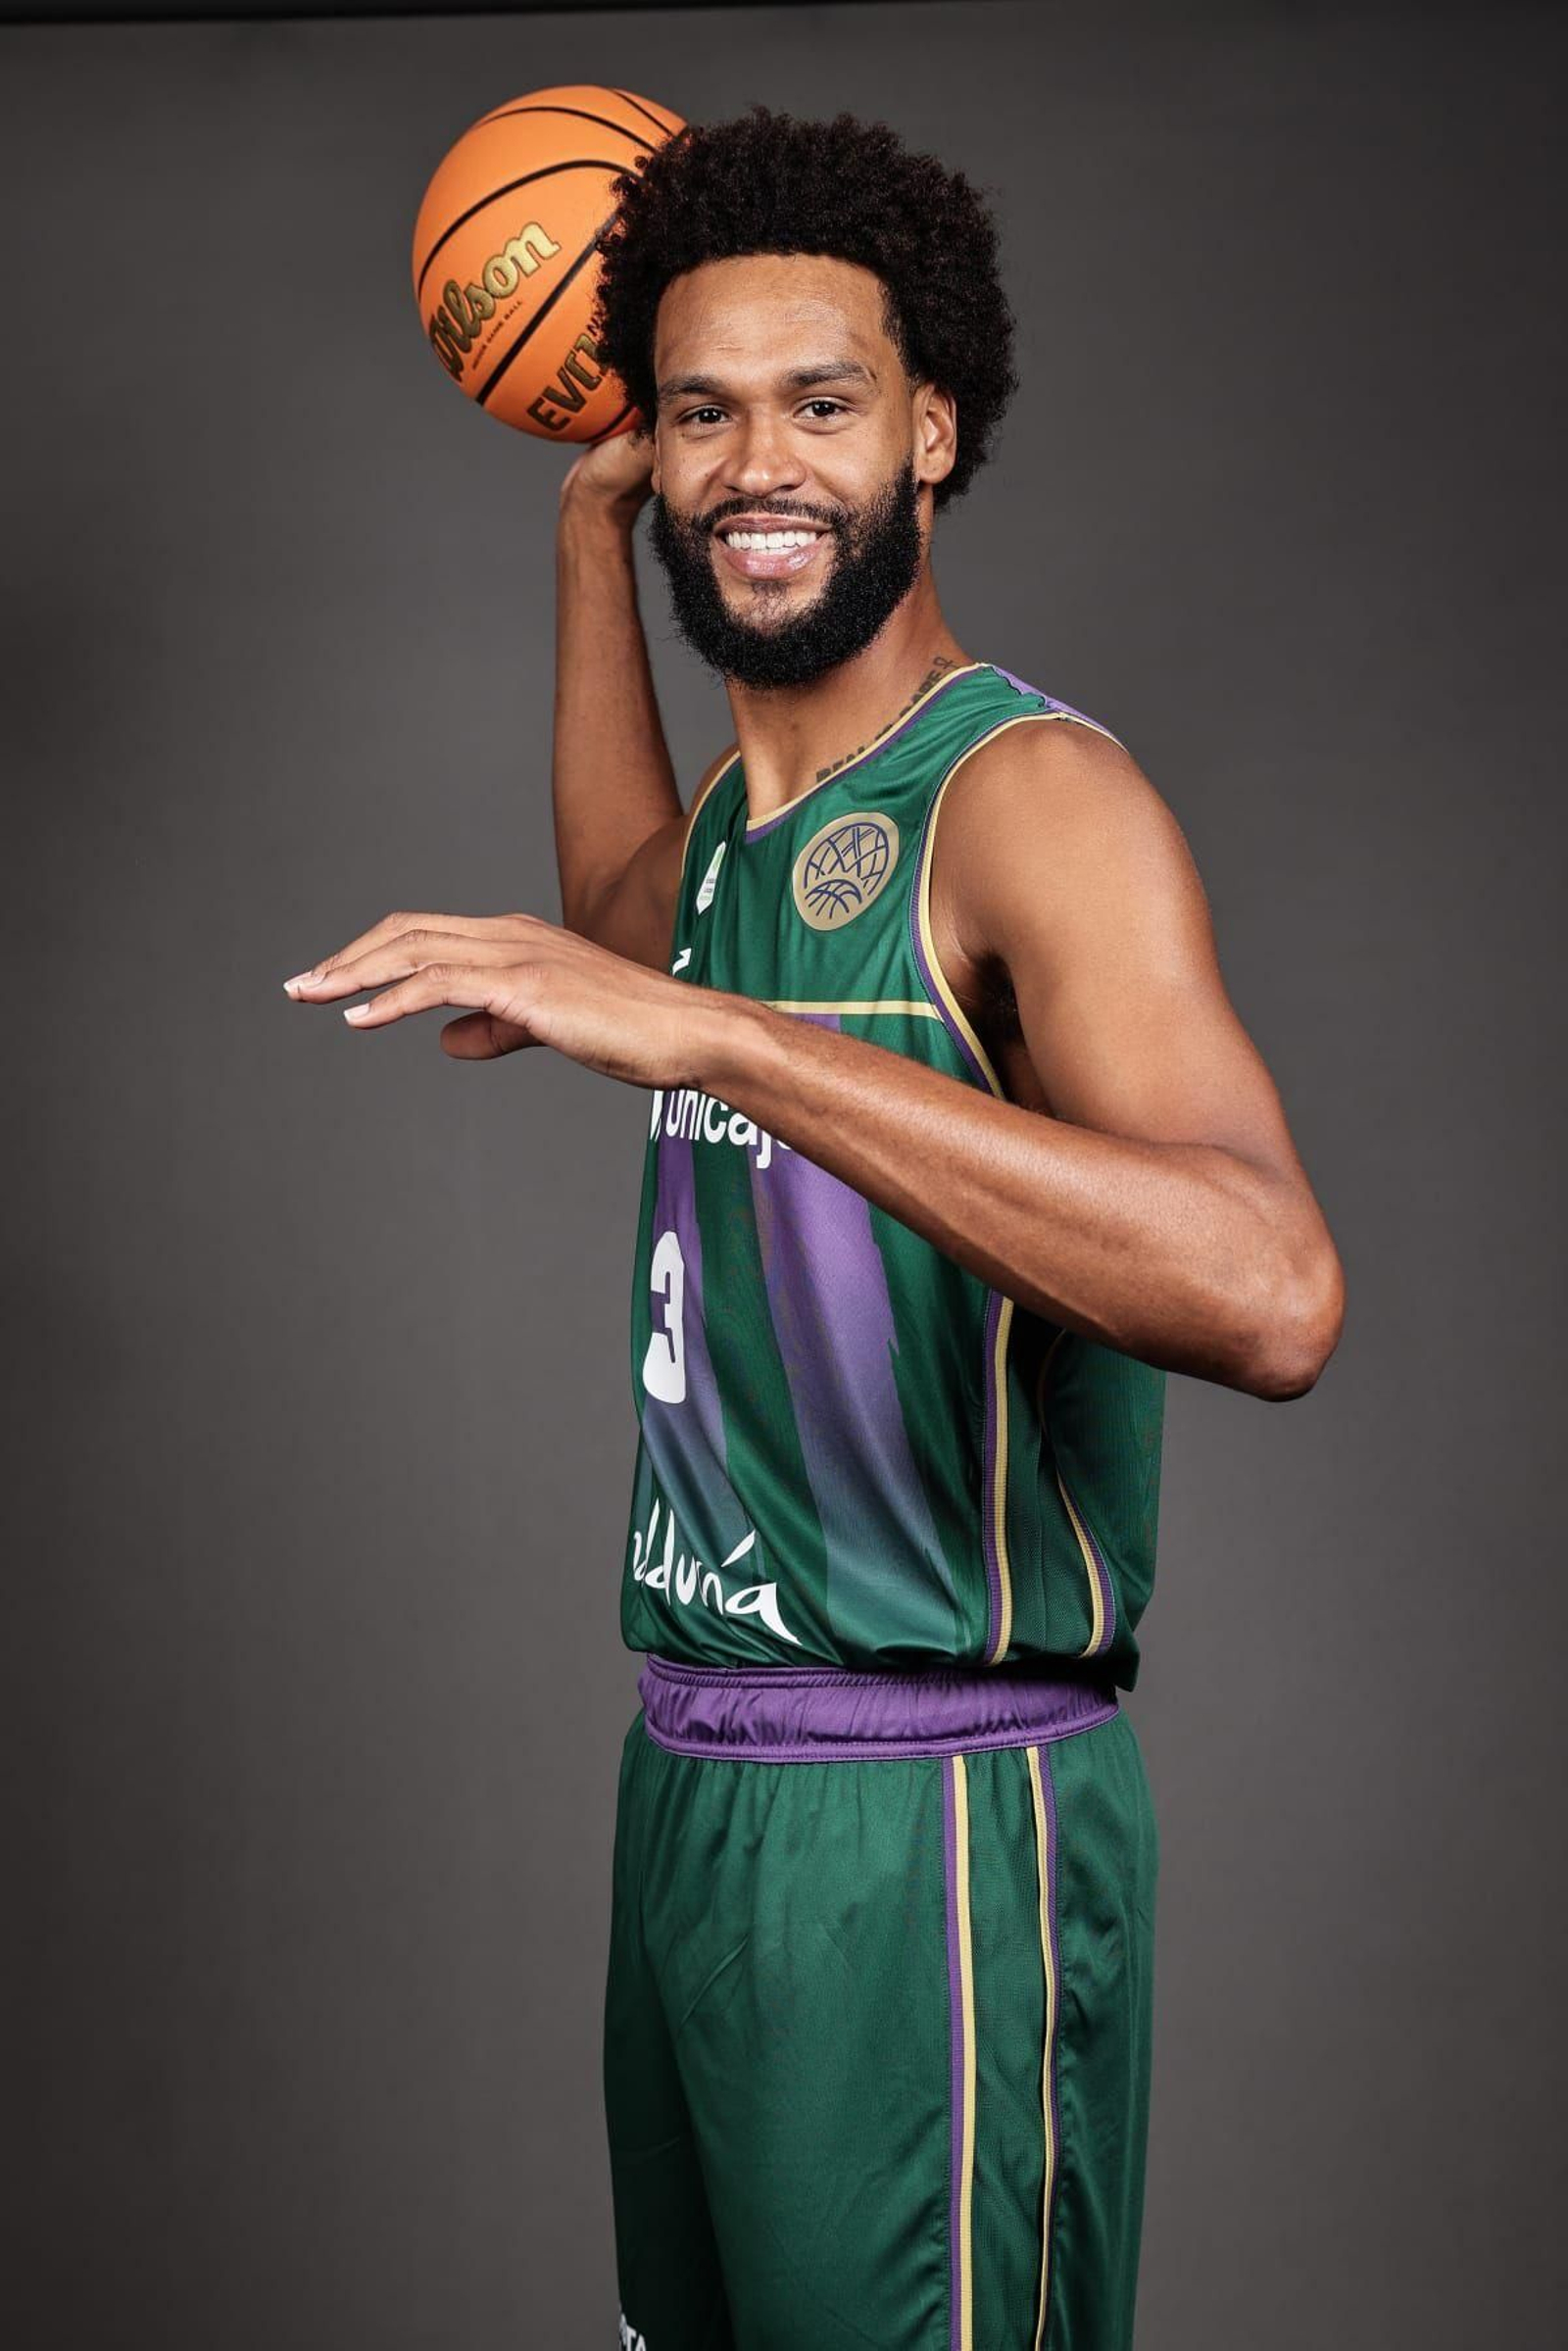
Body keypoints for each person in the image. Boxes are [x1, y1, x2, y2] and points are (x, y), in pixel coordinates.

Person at [285, 104, 1343, 2351]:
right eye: (697, 414)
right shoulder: (750, 838)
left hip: (929, 1813)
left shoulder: (1022, 799)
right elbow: (611, 920)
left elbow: (1268, 1294)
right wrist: (590, 545)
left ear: (931, 431)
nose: (755, 460)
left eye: (817, 404)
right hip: (692, 1780)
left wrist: (720, 1042)